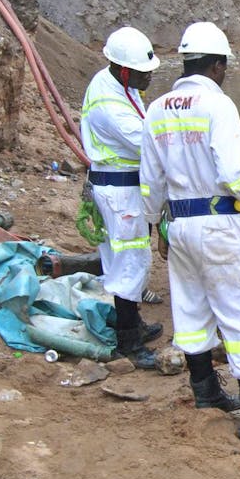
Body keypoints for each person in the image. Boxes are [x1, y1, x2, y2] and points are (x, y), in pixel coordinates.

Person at [140, 22, 240, 444]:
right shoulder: (217, 105)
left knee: (191, 309)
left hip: (180, 224)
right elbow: (233, 174)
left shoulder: (157, 109)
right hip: (218, 222)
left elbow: (150, 182)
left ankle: (205, 391)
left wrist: (158, 227)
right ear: (218, 64)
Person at [81, 27, 162, 369]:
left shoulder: (116, 84)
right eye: (145, 73)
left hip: (120, 187)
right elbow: (151, 145)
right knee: (131, 261)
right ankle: (129, 340)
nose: (150, 77)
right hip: (119, 191)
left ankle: (132, 324)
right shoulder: (111, 106)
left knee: (124, 259)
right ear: (125, 70)